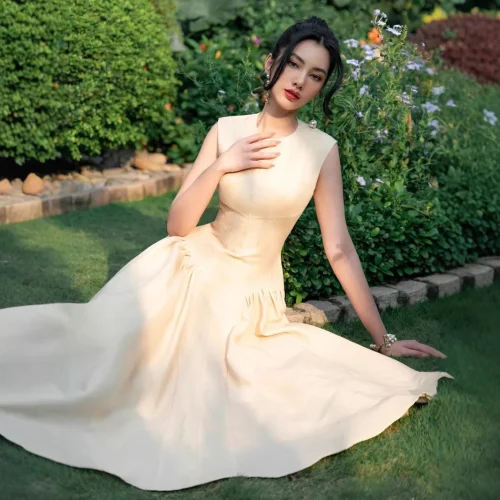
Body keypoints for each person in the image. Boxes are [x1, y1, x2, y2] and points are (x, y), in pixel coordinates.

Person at [0, 16, 453, 492]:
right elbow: (177, 225)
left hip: (253, 301)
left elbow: (338, 248)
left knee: (272, 384)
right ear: (272, 64)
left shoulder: (322, 150)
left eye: (316, 74)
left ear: (322, 86)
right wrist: (223, 164)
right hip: (189, 270)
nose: (300, 80)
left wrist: (384, 339)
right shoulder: (226, 130)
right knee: (103, 361)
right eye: (294, 64)